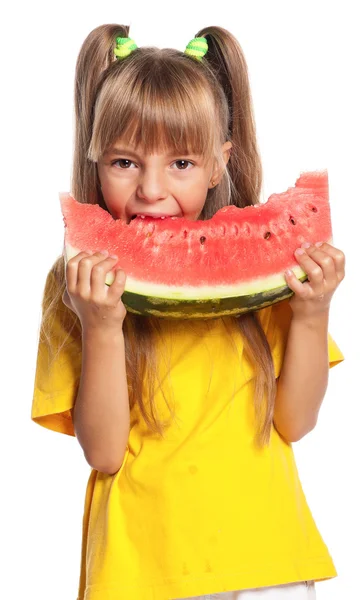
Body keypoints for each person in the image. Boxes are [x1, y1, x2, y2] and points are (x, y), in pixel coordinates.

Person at [31, 24, 345, 600]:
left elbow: (295, 423)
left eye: (180, 163)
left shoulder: (272, 280)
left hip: (267, 560)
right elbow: (103, 453)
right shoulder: (75, 284)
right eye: (125, 161)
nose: (151, 189)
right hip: (141, 571)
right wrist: (101, 326)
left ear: (219, 163)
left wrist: (312, 311)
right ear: (95, 157)